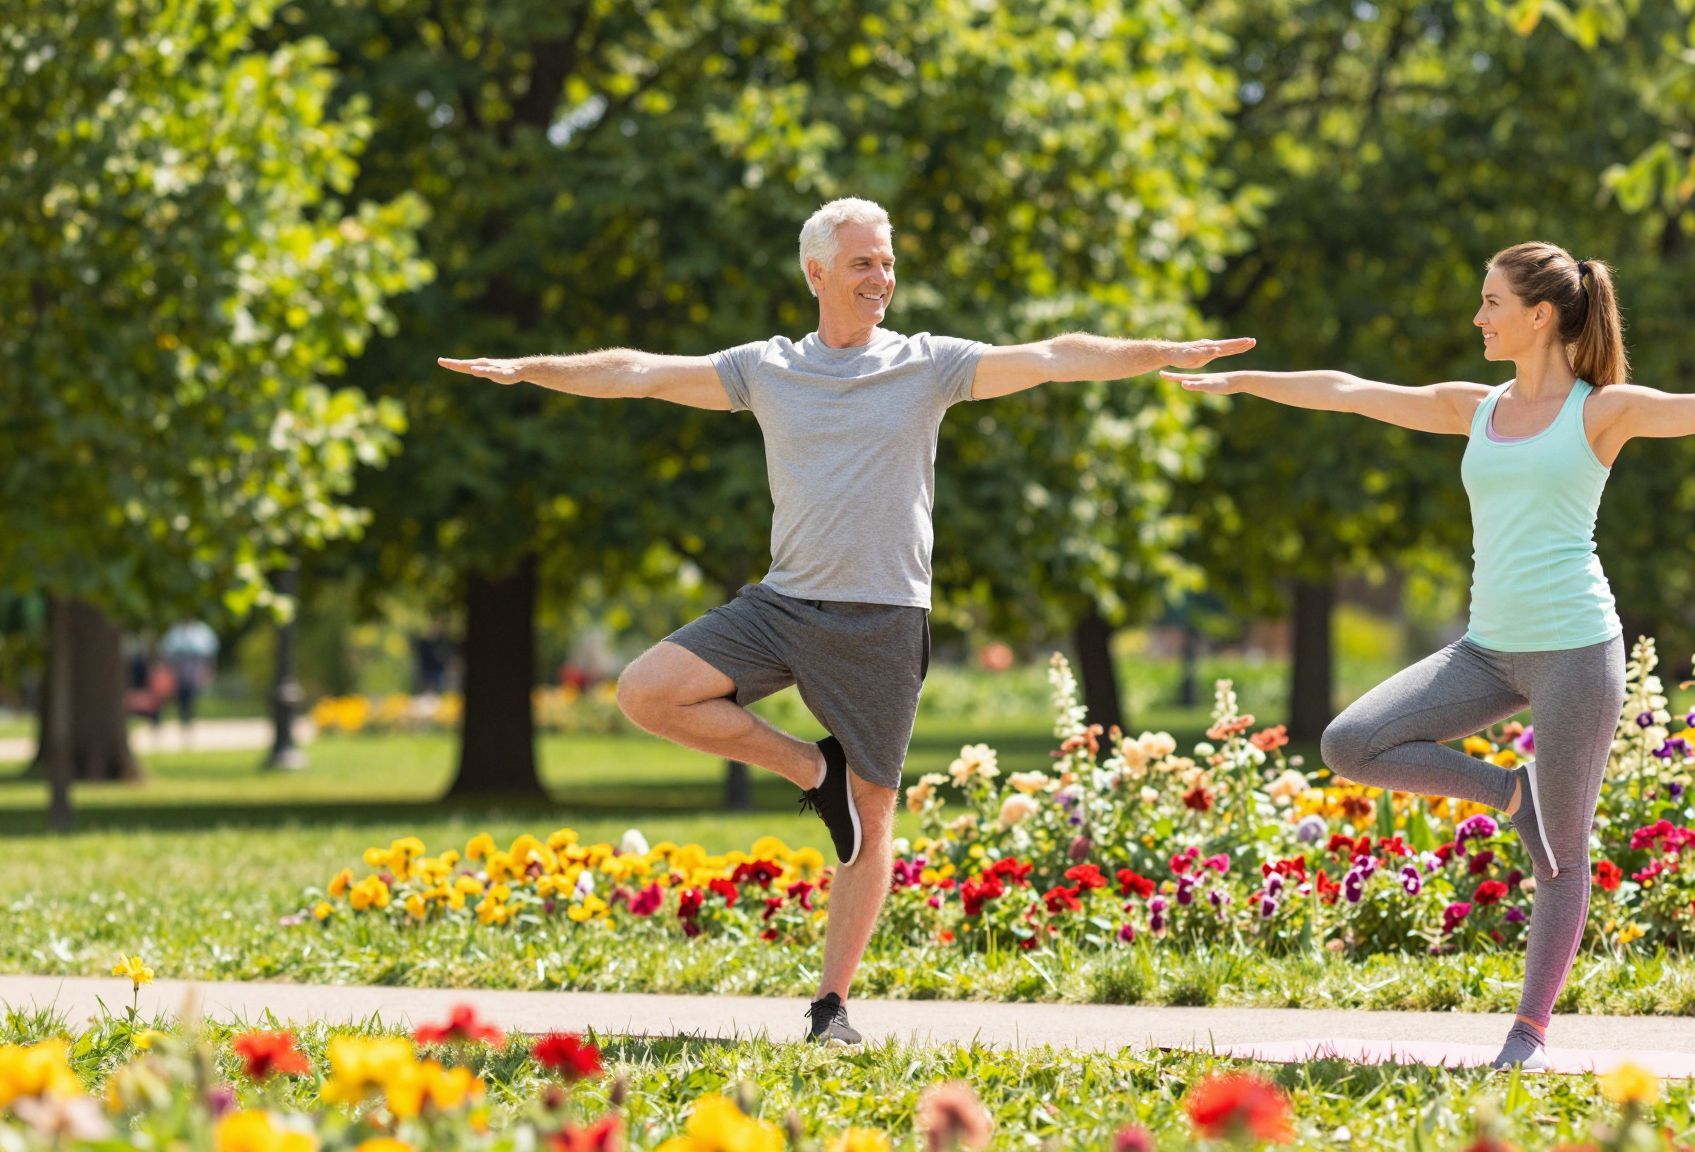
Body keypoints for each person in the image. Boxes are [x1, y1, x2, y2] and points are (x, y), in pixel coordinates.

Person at [438, 197, 1251, 1046]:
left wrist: (1159, 352)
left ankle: (831, 1008)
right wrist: (529, 367)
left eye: (889, 262)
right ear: (816, 272)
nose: (883, 278)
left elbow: (1052, 357)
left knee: (873, 812)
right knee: (648, 692)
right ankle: (806, 772)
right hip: (782, 604)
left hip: (883, 616)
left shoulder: (929, 364)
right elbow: (639, 370)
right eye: (864, 263)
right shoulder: (766, 368)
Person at [1164, 240, 1695, 1070]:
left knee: (1563, 855)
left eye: (1491, 302)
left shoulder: (1602, 411)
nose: (1477, 317)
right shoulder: (1478, 405)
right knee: (1349, 744)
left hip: (1576, 650)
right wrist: (1245, 381)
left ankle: (1526, 1035)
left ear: (1540, 315)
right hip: (1486, 651)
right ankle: (1511, 795)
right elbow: (1353, 394)